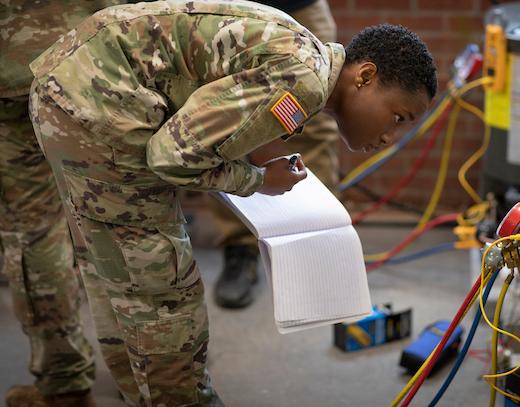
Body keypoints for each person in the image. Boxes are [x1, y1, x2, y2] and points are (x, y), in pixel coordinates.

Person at [28, 1, 437, 405]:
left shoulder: (305, 52)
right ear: (365, 76)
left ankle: (142, 391)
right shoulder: (303, 80)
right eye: (398, 117)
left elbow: (208, 104)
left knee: (120, 273)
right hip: (96, 102)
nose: (388, 137)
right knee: (163, 291)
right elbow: (171, 157)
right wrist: (258, 180)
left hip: (75, 85)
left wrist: (253, 154)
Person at [0, 1, 128, 406]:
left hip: (13, 64)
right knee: (132, 221)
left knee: (33, 232)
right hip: (102, 59)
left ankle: (65, 382)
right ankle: (154, 374)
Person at [210, 0, 342, 309]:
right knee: (223, 123)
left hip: (301, 6)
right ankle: (240, 248)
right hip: (225, 9)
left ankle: (318, 250)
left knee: (317, 122)